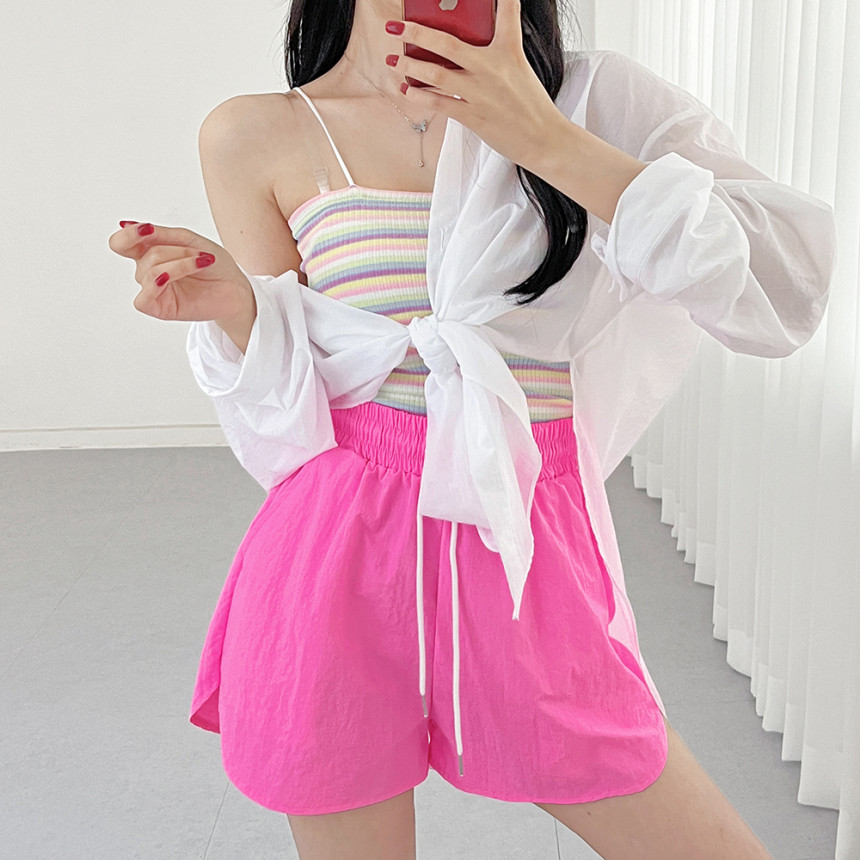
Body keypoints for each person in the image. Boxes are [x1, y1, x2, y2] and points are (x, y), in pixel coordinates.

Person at [108, 0, 836, 856]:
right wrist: (239, 310)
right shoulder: (253, 134)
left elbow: (782, 286)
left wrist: (540, 133)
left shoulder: (596, 100)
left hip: (526, 530)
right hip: (337, 548)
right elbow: (289, 412)